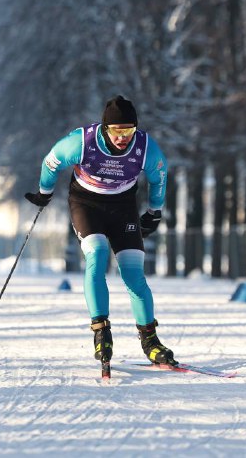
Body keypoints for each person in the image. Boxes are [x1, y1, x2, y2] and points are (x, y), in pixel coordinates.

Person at [25, 95, 174, 369]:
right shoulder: (82, 142)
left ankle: (150, 341)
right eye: (117, 131)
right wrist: (44, 192)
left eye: (128, 130)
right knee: (98, 255)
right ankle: (101, 331)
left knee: (133, 274)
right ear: (106, 128)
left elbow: (159, 177)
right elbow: (51, 161)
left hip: (123, 206)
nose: (123, 137)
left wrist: (154, 211)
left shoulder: (144, 147)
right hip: (86, 203)